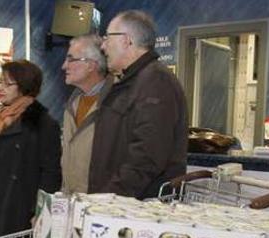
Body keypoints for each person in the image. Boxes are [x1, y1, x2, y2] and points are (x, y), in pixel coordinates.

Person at [91, 10, 187, 199]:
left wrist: (109, 199)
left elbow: (146, 156)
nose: (103, 46)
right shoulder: (134, 81)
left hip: (138, 209)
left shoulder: (156, 82)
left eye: (107, 38)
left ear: (126, 40)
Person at [0, 60, 62, 238]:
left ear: (24, 86)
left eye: (7, 83)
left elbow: (51, 173)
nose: (0, 87)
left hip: (20, 209)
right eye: (0, 81)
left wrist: (42, 212)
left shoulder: (42, 123)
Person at [60, 34, 113, 194]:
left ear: (91, 65)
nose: (64, 66)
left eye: (71, 59)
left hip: (100, 206)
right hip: (72, 203)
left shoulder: (116, 103)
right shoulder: (72, 103)